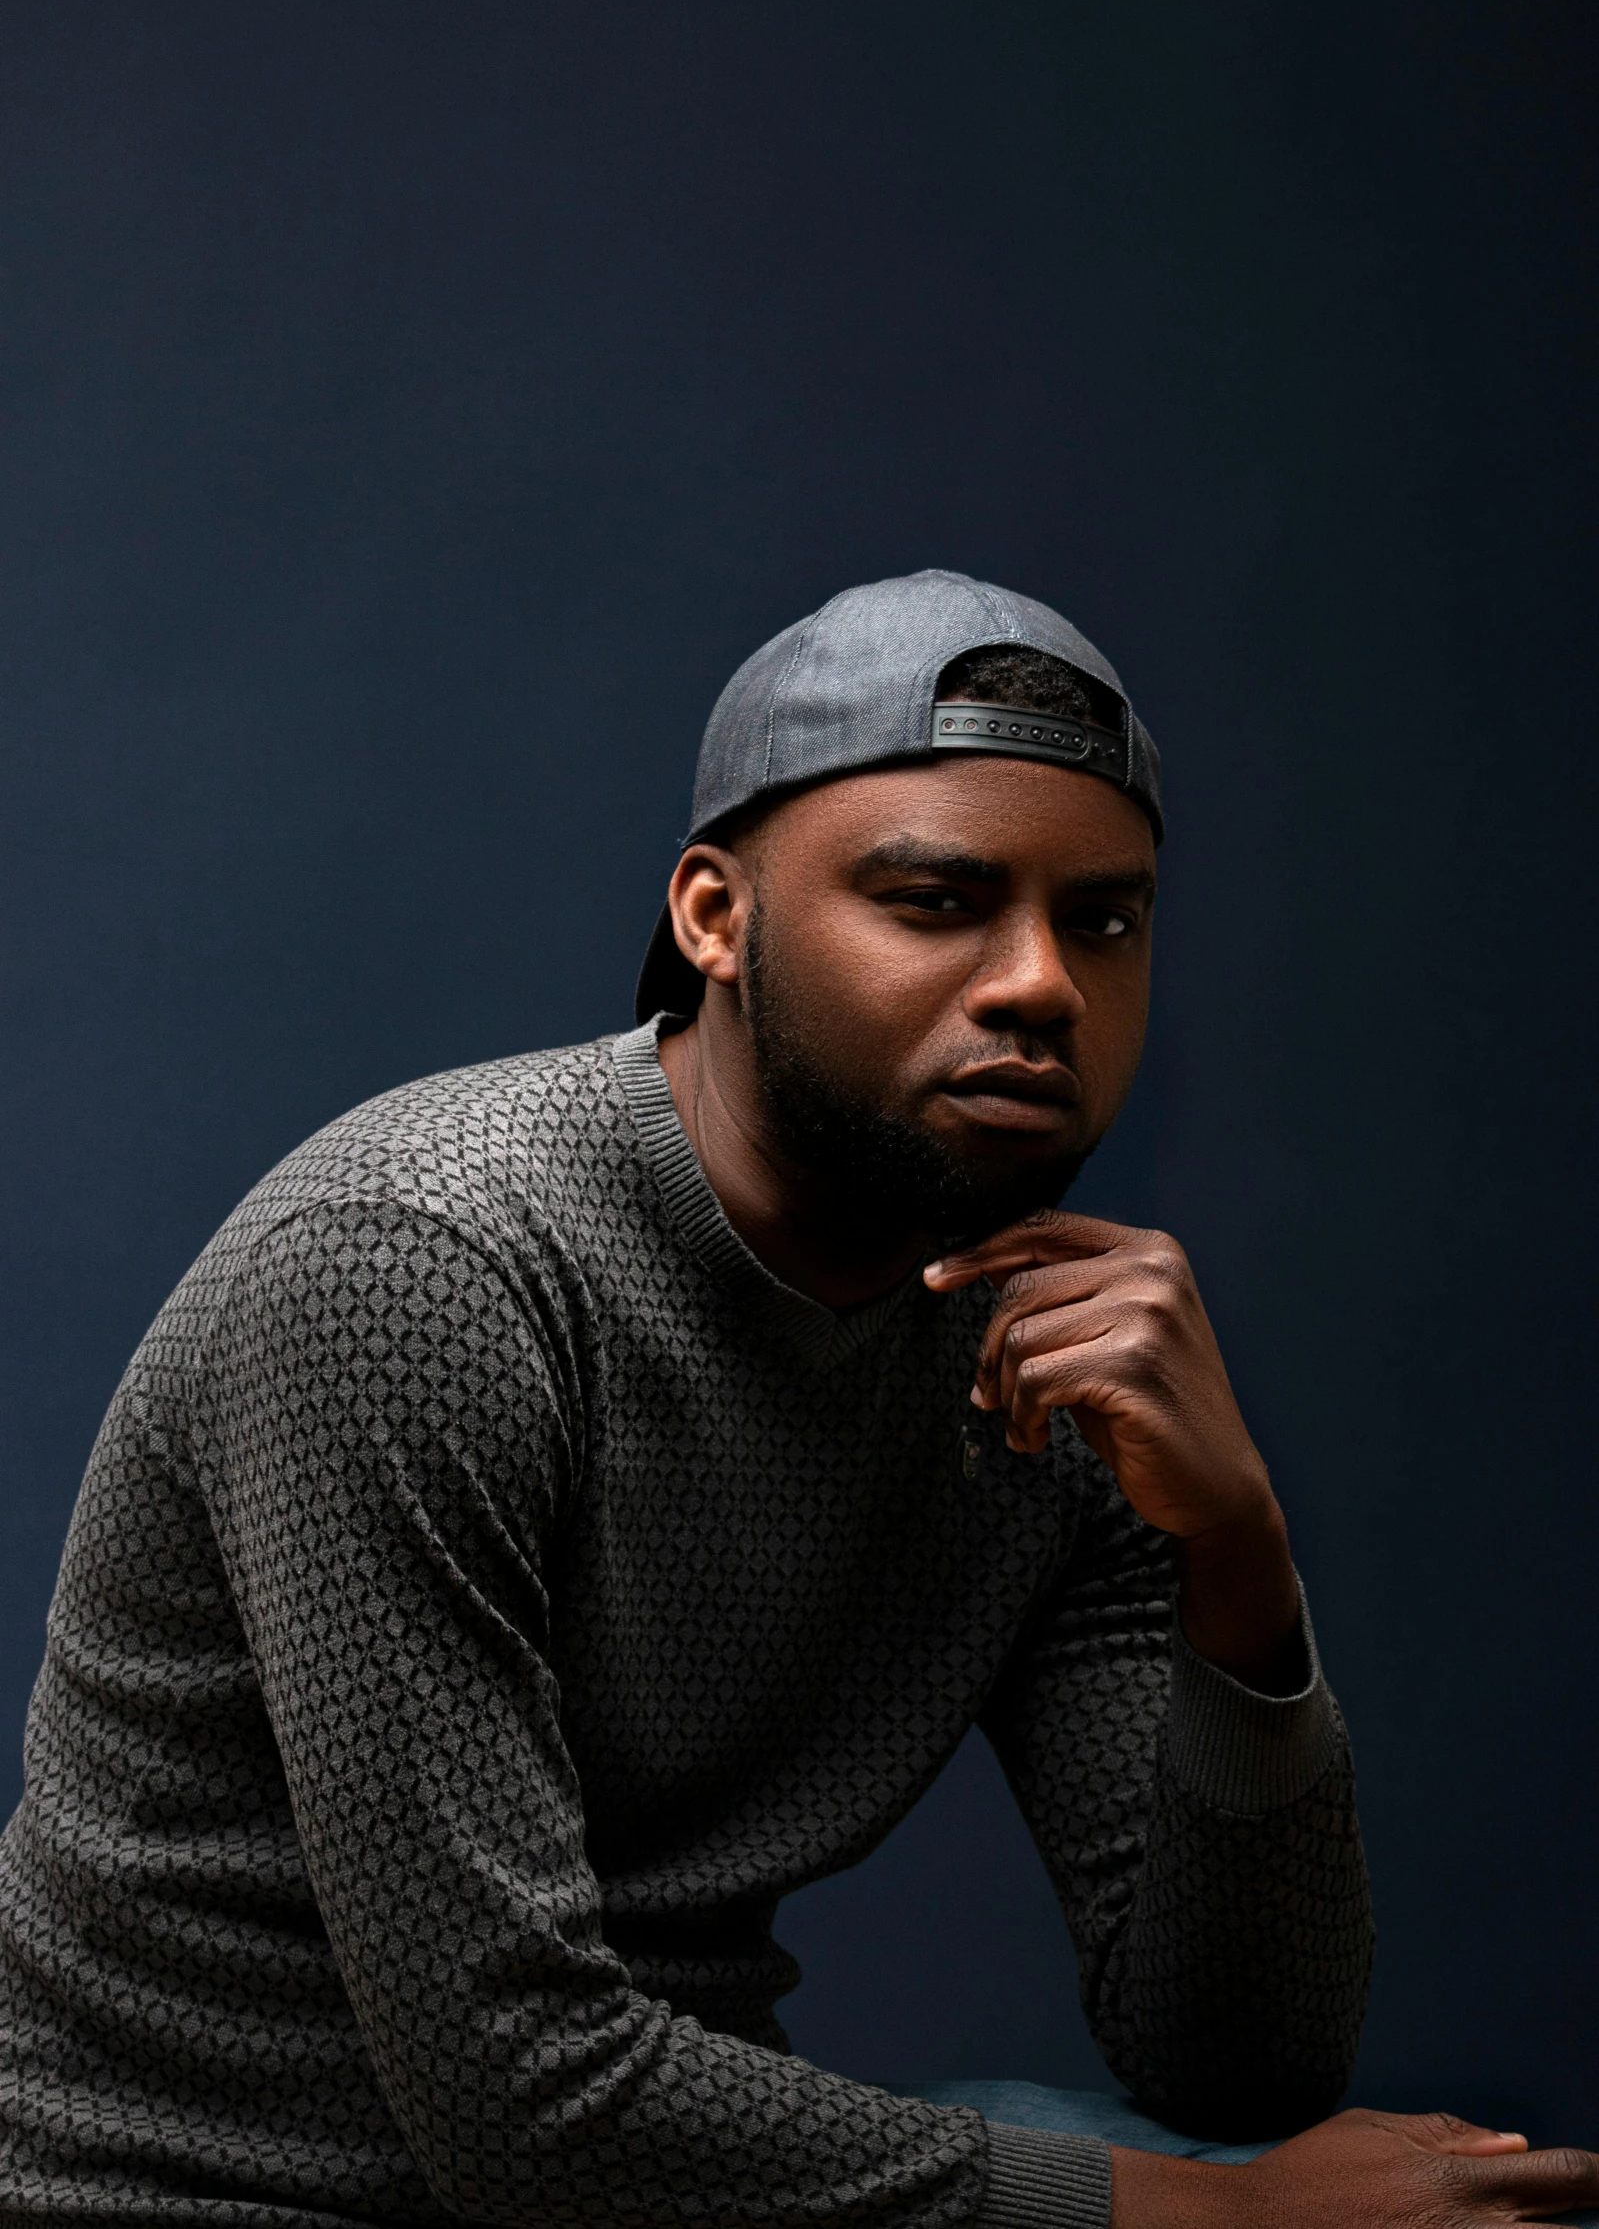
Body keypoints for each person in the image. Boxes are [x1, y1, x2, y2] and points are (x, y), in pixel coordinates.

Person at [0, 569, 1591, 2229]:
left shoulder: (1050, 1349)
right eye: (934, 900)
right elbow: (516, 2092)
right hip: (206, 2192)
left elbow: (1237, 2066)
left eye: (1101, 920)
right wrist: (1230, 2224)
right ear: (714, 917)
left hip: (662, 2182)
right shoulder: (419, 1263)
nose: (1039, 982)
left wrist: (1238, 1559)